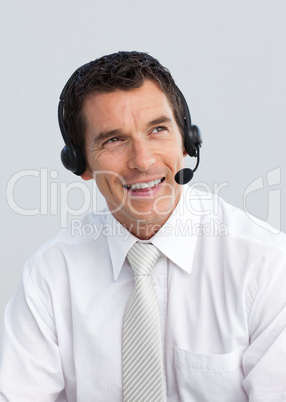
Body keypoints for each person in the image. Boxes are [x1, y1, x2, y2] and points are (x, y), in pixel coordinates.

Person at [0, 51, 286, 402]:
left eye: (158, 130)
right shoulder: (50, 276)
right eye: (114, 140)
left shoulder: (267, 265)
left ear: (187, 141)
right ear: (80, 163)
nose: (143, 160)